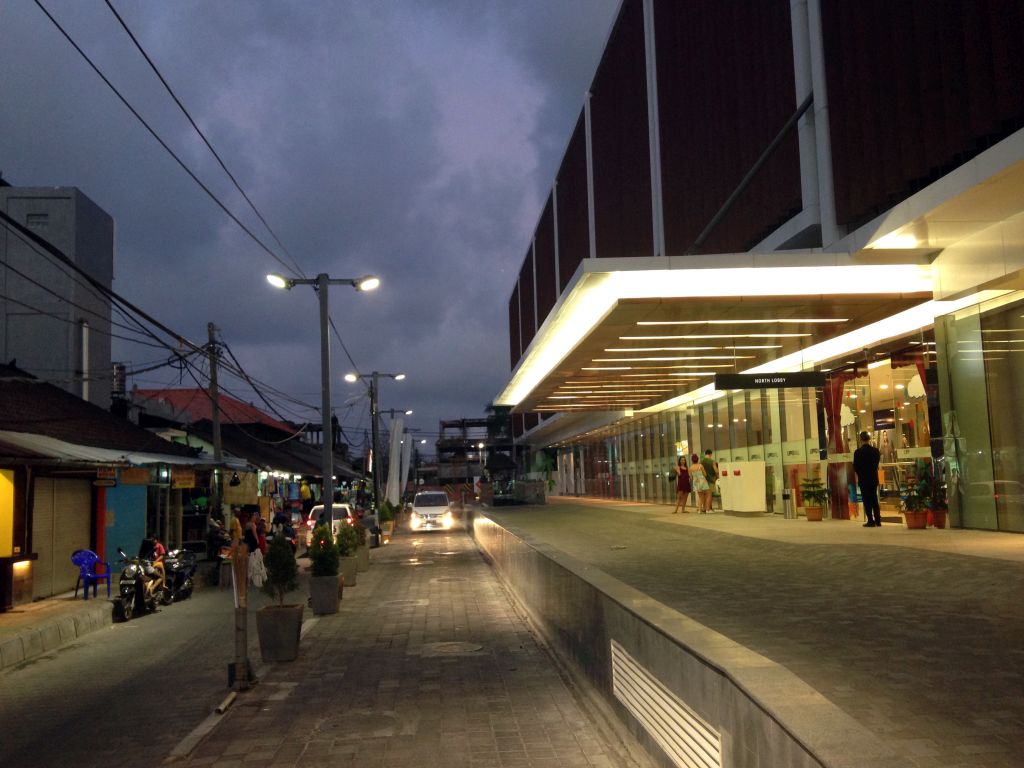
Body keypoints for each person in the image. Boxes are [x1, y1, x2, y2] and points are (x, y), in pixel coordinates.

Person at [854, 430, 882, 527]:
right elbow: (876, 463)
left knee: (866, 500)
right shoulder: (875, 451)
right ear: (869, 439)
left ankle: (870, 520)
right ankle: (878, 520)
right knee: (874, 499)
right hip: (873, 478)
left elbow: (856, 467)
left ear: (861, 439)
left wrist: (861, 474)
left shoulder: (858, 452)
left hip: (863, 479)